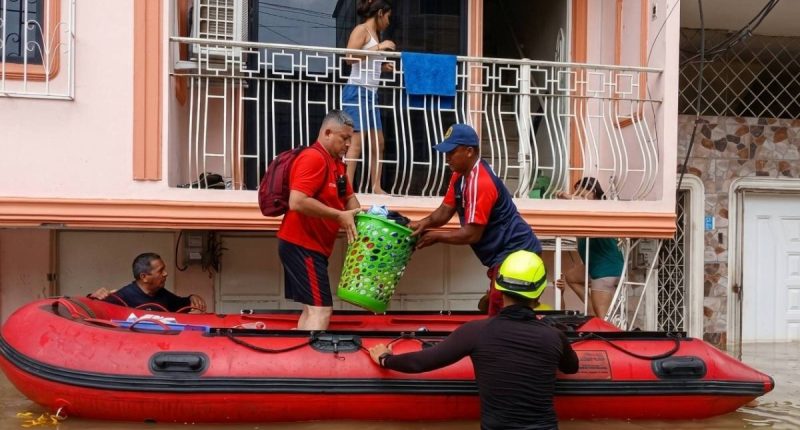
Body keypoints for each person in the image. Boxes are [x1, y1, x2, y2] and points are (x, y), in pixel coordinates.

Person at [369, 250, 579, 430]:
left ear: (498, 286)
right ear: (540, 290)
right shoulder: (553, 336)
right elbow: (571, 367)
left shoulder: (476, 332)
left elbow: (420, 362)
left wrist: (386, 359)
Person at [409, 123, 542, 316]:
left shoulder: (481, 183)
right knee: (501, 310)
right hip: (504, 255)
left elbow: (472, 234)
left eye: (452, 152)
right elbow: (445, 211)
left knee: (502, 313)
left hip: (517, 253)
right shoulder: (460, 175)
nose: (447, 158)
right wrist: (425, 223)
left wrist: (437, 237)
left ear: (469, 151)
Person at [278, 110, 362, 330]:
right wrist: (338, 215)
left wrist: (373, 221)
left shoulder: (337, 165)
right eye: (344, 139)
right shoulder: (313, 158)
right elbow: (297, 201)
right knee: (321, 310)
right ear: (327, 133)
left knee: (311, 308)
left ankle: (299, 355)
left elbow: (350, 199)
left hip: (313, 247)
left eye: (350, 140)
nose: (348, 145)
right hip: (302, 245)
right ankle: (310, 361)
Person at [343, 0, 396, 194]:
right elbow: (350, 57)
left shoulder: (376, 34)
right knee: (356, 143)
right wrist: (380, 48)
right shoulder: (362, 30)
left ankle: (376, 186)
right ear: (381, 13)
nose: (389, 22)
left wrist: (383, 66)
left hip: (371, 94)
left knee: (378, 142)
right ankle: (347, 189)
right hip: (357, 91)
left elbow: (366, 59)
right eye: (388, 17)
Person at [555, 177, 624, 318]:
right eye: (576, 192)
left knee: (602, 318)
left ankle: (604, 332)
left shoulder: (598, 207)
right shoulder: (583, 213)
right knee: (572, 277)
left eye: (581, 191)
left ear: (593, 192)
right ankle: (590, 308)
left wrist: (563, 195)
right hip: (594, 265)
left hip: (605, 269)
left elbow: (585, 203)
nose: (577, 195)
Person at [89, 252, 206, 312]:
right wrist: (93, 296)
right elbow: (91, 307)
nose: (166, 274)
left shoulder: (162, 294)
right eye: (161, 271)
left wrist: (192, 298)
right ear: (144, 277)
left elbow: (183, 304)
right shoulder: (122, 296)